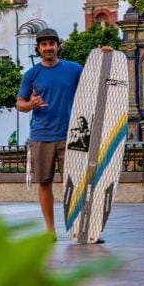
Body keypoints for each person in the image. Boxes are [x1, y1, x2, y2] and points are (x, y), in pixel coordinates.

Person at [16, 28, 83, 238]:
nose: (48, 48)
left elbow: (94, 82)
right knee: (44, 183)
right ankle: (50, 230)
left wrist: (105, 54)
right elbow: (20, 104)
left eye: (51, 44)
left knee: (74, 183)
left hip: (71, 135)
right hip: (41, 135)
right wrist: (31, 104)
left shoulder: (74, 69)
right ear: (38, 48)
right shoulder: (31, 75)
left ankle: (79, 227)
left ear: (58, 46)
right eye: (44, 45)